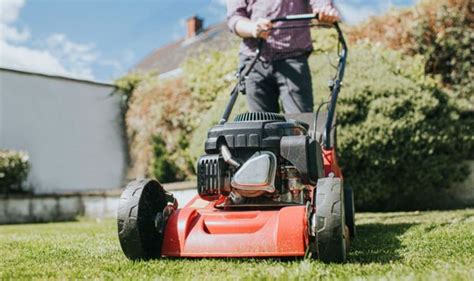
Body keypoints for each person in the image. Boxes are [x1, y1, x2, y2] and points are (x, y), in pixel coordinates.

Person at [226, 0, 341, 113]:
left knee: (299, 124)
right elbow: (235, 18)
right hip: (253, 61)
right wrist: (253, 28)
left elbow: (321, 4)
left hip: (293, 58)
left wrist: (325, 11)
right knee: (261, 125)